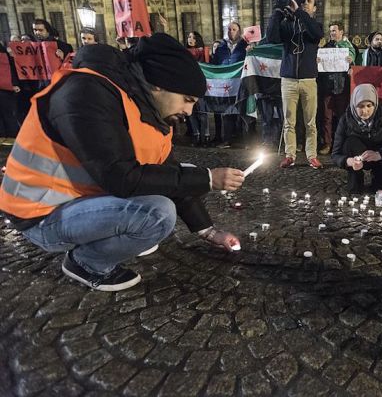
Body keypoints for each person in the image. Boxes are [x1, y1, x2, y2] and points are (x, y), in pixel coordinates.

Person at [0, 33, 246, 291]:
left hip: (76, 200)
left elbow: (169, 173)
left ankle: (110, 236)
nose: (189, 112)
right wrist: (208, 179)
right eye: (187, 100)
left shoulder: (145, 108)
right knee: (158, 215)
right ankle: (86, 263)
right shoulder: (86, 93)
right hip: (40, 214)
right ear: (159, 84)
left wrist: (209, 232)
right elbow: (120, 177)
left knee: (182, 177)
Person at [266, 0, 324, 169]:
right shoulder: (287, 24)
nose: (304, 3)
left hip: (308, 80)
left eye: (308, 1)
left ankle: (311, 155)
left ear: (314, 8)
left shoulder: (316, 25)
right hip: (288, 80)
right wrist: (277, 11)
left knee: (310, 122)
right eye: (302, 1)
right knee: (289, 121)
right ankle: (290, 155)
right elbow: (271, 37)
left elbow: (316, 35)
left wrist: (298, 11)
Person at [331, 84, 382, 194]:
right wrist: (349, 161)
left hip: (379, 156)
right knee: (350, 142)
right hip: (359, 155)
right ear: (354, 105)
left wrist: (380, 154)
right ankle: (356, 182)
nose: (365, 110)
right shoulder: (345, 119)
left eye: (369, 105)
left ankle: (379, 179)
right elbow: (335, 154)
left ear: (375, 104)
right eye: (361, 106)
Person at [318, 21, 356, 155]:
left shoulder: (348, 46)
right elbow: (320, 63)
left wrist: (350, 59)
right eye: (331, 31)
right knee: (326, 117)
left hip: (341, 86)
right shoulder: (326, 47)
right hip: (328, 86)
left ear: (341, 32)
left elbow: (353, 58)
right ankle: (327, 143)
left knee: (341, 116)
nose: (332, 33)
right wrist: (319, 60)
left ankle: (341, 144)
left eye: (334, 30)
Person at [210, 22, 249, 147]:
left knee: (241, 111)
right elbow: (215, 64)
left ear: (239, 31)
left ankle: (243, 140)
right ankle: (227, 139)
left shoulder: (245, 46)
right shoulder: (221, 47)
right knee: (227, 112)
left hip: (240, 83)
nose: (231, 31)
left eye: (234, 29)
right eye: (229, 29)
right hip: (225, 85)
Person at [185, 31, 210, 147]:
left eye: (193, 38)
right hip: (188, 86)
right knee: (191, 112)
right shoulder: (184, 53)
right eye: (189, 37)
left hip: (201, 86)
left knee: (202, 112)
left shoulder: (203, 52)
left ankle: (205, 136)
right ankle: (196, 134)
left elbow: (208, 66)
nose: (190, 39)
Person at [0, 42, 21, 138]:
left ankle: (12, 140)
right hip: (6, 88)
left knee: (9, 117)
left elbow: (11, 68)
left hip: (6, 89)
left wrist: (15, 83)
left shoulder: (4, 52)